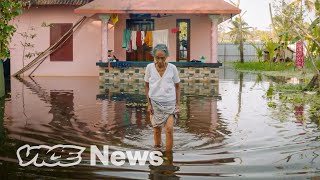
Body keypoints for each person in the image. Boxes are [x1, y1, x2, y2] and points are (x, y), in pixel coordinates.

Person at [144, 44, 181, 152]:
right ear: (154, 56)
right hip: (155, 103)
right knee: (156, 130)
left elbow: (178, 86)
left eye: (162, 58)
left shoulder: (172, 68)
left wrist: (178, 104)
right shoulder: (149, 68)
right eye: (157, 58)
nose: (160, 61)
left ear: (167, 56)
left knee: (169, 129)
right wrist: (149, 104)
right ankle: (158, 152)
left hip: (169, 103)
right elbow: (146, 85)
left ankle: (169, 156)